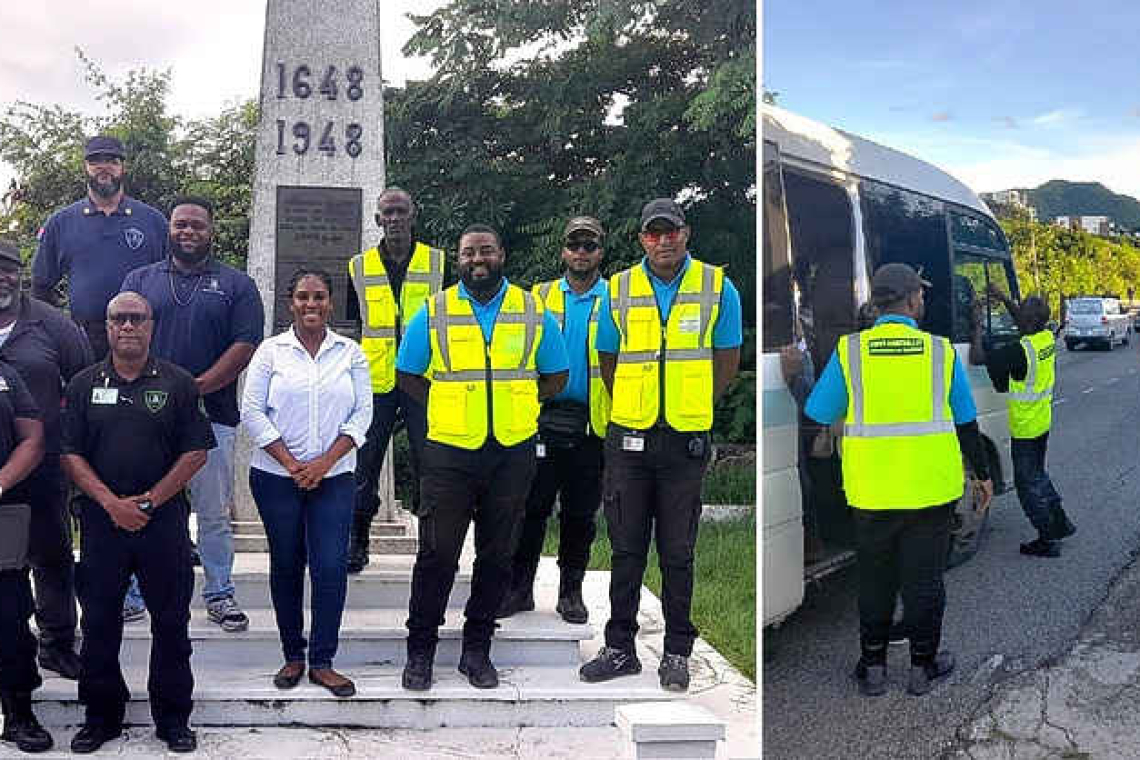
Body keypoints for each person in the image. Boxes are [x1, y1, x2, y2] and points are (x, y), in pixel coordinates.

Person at [804, 263, 994, 698]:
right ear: (910, 300)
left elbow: (817, 411)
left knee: (875, 580)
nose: (923, 301)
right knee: (924, 582)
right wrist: (982, 476)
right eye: (921, 295)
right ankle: (923, 668)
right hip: (930, 492)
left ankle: (872, 667)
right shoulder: (940, 353)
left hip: (872, 492)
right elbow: (966, 423)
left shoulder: (850, 352)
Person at [579, 198, 743, 693]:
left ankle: (676, 652)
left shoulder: (718, 286)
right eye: (653, 233)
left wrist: (691, 407)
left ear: (685, 233)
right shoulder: (619, 289)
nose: (663, 240)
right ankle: (619, 648)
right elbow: (608, 359)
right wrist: (639, 403)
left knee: (678, 550)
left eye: (670, 231)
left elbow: (727, 359)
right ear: (641, 240)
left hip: (685, 440)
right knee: (626, 547)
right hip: (629, 436)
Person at [396, 224, 569, 691]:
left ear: (502, 254)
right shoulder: (434, 311)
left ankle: (477, 651)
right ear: (458, 260)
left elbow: (555, 376)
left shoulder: (532, 309)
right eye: (469, 252)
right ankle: (420, 653)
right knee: (437, 556)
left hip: (511, 451)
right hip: (451, 451)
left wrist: (519, 401)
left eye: (486, 250)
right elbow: (408, 374)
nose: (478, 258)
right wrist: (449, 403)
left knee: (497, 557)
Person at [61, 292, 214, 753]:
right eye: (118, 319)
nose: (127, 326)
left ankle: (172, 719)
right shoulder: (84, 384)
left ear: (151, 325)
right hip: (103, 524)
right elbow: (69, 453)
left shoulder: (179, 383)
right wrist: (111, 503)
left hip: (163, 524)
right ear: (106, 327)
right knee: (101, 623)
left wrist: (148, 502)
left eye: (136, 318)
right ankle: (101, 716)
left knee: (171, 623)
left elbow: (196, 451)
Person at [121, 196, 263, 631]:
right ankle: (133, 591)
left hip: (211, 415)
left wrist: (195, 387)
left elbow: (244, 346)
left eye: (197, 225)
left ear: (211, 232)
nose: (188, 232)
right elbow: (123, 337)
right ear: (169, 229)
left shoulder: (236, 285)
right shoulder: (139, 280)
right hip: (145, 414)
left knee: (213, 511)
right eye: (180, 224)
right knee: (145, 501)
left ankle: (219, 593)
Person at [242, 268, 372, 698]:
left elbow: (362, 416)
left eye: (319, 296)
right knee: (286, 563)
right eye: (302, 297)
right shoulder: (269, 352)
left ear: (331, 303)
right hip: (276, 476)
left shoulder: (349, 353)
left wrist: (322, 463)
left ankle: (322, 660)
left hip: (334, 477)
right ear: (289, 303)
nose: (311, 304)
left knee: (331, 566)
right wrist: (294, 463)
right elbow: (253, 412)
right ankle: (292, 655)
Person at [497, 216, 611, 624]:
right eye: (574, 244)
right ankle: (519, 589)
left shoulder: (617, 297)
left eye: (590, 245)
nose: (581, 252)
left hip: (592, 423)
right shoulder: (539, 296)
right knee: (530, 510)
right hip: (542, 417)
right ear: (562, 249)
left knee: (580, 515)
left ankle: (571, 593)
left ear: (601, 250)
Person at [0, 241, 93, 682]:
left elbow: (82, 391)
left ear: (21, 274)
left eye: (9, 269)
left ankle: (56, 642)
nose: (1, 276)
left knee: (52, 555)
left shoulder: (54, 325)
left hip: (42, 465)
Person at [346, 188, 444, 573]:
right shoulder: (359, 266)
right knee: (365, 463)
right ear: (377, 219)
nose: (395, 218)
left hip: (422, 378)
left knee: (430, 464)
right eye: (388, 212)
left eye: (402, 211)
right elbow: (354, 324)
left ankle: (432, 544)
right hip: (377, 379)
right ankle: (357, 541)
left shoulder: (436, 262)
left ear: (413, 214)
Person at [32, 136, 167, 359]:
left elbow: (172, 278)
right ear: (85, 167)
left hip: (143, 338)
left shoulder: (153, 221)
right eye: (95, 161)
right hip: (84, 340)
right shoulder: (60, 222)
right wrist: (59, 331)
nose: (104, 168)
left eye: (112, 161)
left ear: (123, 167)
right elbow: (41, 287)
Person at [970, 285, 1074, 557]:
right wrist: (1005, 298)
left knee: (1027, 486)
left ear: (1028, 322)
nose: (1016, 318)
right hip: (1041, 422)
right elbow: (1023, 319)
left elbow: (977, 357)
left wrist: (977, 326)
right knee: (1039, 476)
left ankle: (1048, 539)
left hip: (1026, 428)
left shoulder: (1019, 350)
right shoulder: (1045, 338)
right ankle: (1061, 523)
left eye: (1022, 312)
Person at [0, 353, 53, 753]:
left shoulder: (6, 375)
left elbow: (32, 438)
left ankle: (18, 712)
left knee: (10, 615)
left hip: (3, 510)